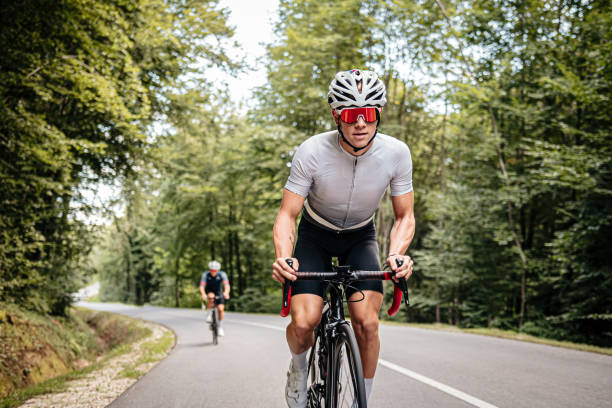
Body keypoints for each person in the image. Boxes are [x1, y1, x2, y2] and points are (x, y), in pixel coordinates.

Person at [272, 69, 415, 407]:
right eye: (351, 114)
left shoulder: (396, 153)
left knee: (366, 322)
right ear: (336, 115)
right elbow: (287, 215)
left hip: (359, 237)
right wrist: (284, 256)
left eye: (369, 113)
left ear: (378, 114)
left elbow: (404, 215)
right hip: (315, 234)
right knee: (305, 321)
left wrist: (396, 254)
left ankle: (360, 399)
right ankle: (298, 368)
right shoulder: (312, 151)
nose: (360, 123)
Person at [200, 260, 230, 336]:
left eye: (215, 270)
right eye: (211, 270)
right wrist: (203, 294)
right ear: (209, 270)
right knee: (210, 296)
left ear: (218, 270)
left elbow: (227, 285)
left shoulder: (222, 274)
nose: (213, 272)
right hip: (209, 290)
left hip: (218, 291)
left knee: (220, 309)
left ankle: (220, 327)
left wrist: (226, 293)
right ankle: (209, 314)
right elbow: (202, 286)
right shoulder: (205, 275)